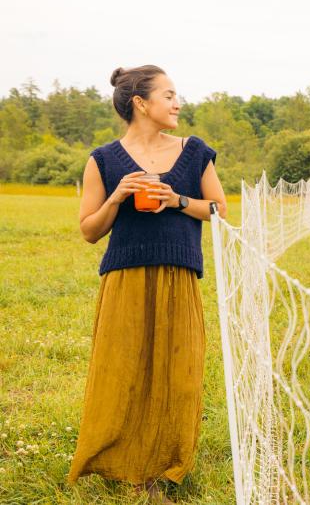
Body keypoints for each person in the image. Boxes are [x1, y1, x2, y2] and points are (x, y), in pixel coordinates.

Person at [68, 65, 227, 503]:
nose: (178, 103)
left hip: (179, 275)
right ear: (141, 103)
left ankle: (163, 465)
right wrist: (118, 197)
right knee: (123, 371)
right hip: (125, 276)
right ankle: (120, 462)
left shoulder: (195, 152)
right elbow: (88, 230)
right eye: (170, 95)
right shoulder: (103, 159)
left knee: (179, 373)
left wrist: (176, 200)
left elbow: (220, 211)